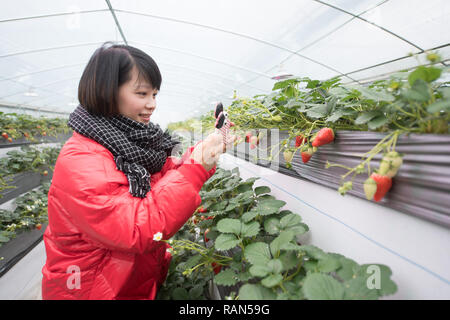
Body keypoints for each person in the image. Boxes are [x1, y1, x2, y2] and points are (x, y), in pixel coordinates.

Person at [41, 42, 236, 300]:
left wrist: (203, 154)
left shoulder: (130, 141)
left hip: (127, 284)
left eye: (155, 94)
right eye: (142, 94)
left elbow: (162, 180)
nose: (152, 104)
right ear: (107, 92)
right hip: (89, 291)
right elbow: (136, 228)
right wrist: (195, 169)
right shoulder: (81, 160)